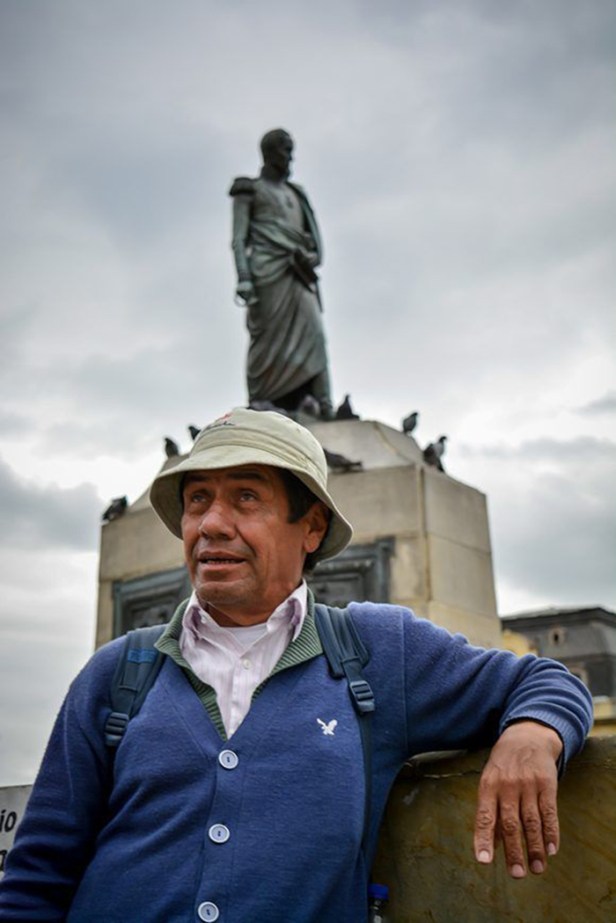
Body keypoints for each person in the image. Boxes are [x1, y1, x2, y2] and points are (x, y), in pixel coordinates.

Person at [0, 408, 593, 922]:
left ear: (310, 526)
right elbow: (37, 875)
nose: (210, 523)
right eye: (197, 499)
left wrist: (534, 734)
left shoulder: (378, 650)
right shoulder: (115, 672)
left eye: (245, 497)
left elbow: (546, 680)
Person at [230, 129, 334, 418]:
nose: (291, 157)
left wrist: (310, 256)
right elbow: (239, 238)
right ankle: (261, 400)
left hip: (299, 274)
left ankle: (323, 405)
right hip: (266, 274)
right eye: (286, 150)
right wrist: (244, 277)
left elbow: (314, 242)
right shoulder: (249, 190)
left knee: (315, 336)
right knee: (264, 342)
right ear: (270, 153)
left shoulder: (297, 194)